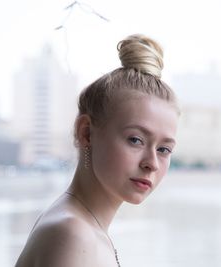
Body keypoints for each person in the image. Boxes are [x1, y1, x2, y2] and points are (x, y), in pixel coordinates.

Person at [14, 33, 180, 267]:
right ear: (86, 133)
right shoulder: (72, 234)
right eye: (135, 140)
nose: (151, 163)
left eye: (163, 149)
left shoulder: (79, 226)